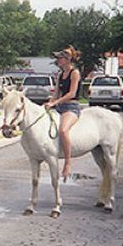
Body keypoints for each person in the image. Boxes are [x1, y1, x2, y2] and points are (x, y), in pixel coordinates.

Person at [44, 45, 82, 181]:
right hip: (60, 106)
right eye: (57, 58)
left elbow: (72, 93)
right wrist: (50, 102)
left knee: (63, 130)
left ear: (67, 59)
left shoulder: (75, 73)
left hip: (71, 107)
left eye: (60, 58)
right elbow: (56, 93)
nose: (58, 60)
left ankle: (67, 163)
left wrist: (55, 102)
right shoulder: (60, 74)